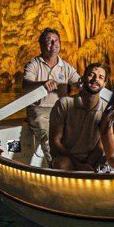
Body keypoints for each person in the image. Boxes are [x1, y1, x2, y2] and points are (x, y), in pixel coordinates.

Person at [19, 28, 80, 164]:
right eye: (49, 41)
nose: (54, 43)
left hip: (62, 111)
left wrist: (83, 84)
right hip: (40, 110)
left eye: (56, 40)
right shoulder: (34, 64)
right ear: (41, 45)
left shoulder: (66, 67)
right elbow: (25, 85)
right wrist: (43, 84)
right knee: (48, 136)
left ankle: (78, 164)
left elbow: (78, 83)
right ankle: (56, 168)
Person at [49, 63, 110, 171]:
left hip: (93, 160)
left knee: (111, 162)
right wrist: (79, 166)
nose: (95, 79)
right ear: (82, 79)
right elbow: (55, 143)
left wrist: (88, 166)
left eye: (100, 77)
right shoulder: (64, 104)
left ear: (104, 84)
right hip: (68, 159)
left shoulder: (107, 109)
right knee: (61, 164)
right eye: (91, 75)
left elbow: (101, 146)